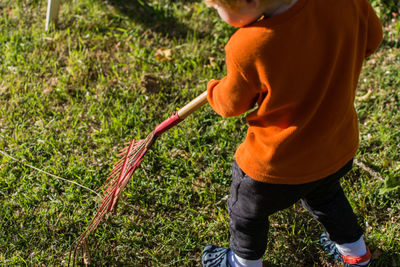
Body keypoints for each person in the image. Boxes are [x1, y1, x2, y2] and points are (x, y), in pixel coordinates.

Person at [201, 0, 383, 266]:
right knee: (326, 196)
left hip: (275, 166)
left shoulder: (248, 46)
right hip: (335, 148)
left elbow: (231, 105)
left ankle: (242, 262)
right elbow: (372, 39)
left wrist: (214, 91)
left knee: (245, 212)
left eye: (216, 6)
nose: (216, 12)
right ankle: (356, 254)